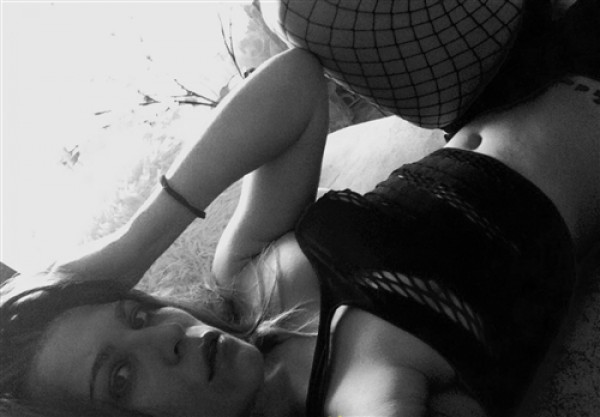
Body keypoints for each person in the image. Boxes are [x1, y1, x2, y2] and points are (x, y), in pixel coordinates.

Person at [1, 0, 599, 416]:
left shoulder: (246, 280)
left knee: (303, 11)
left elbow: (297, 83)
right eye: (120, 378)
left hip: (516, 72)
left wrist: (129, 249)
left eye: (134, 317)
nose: (165, 336)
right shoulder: (363, 400)